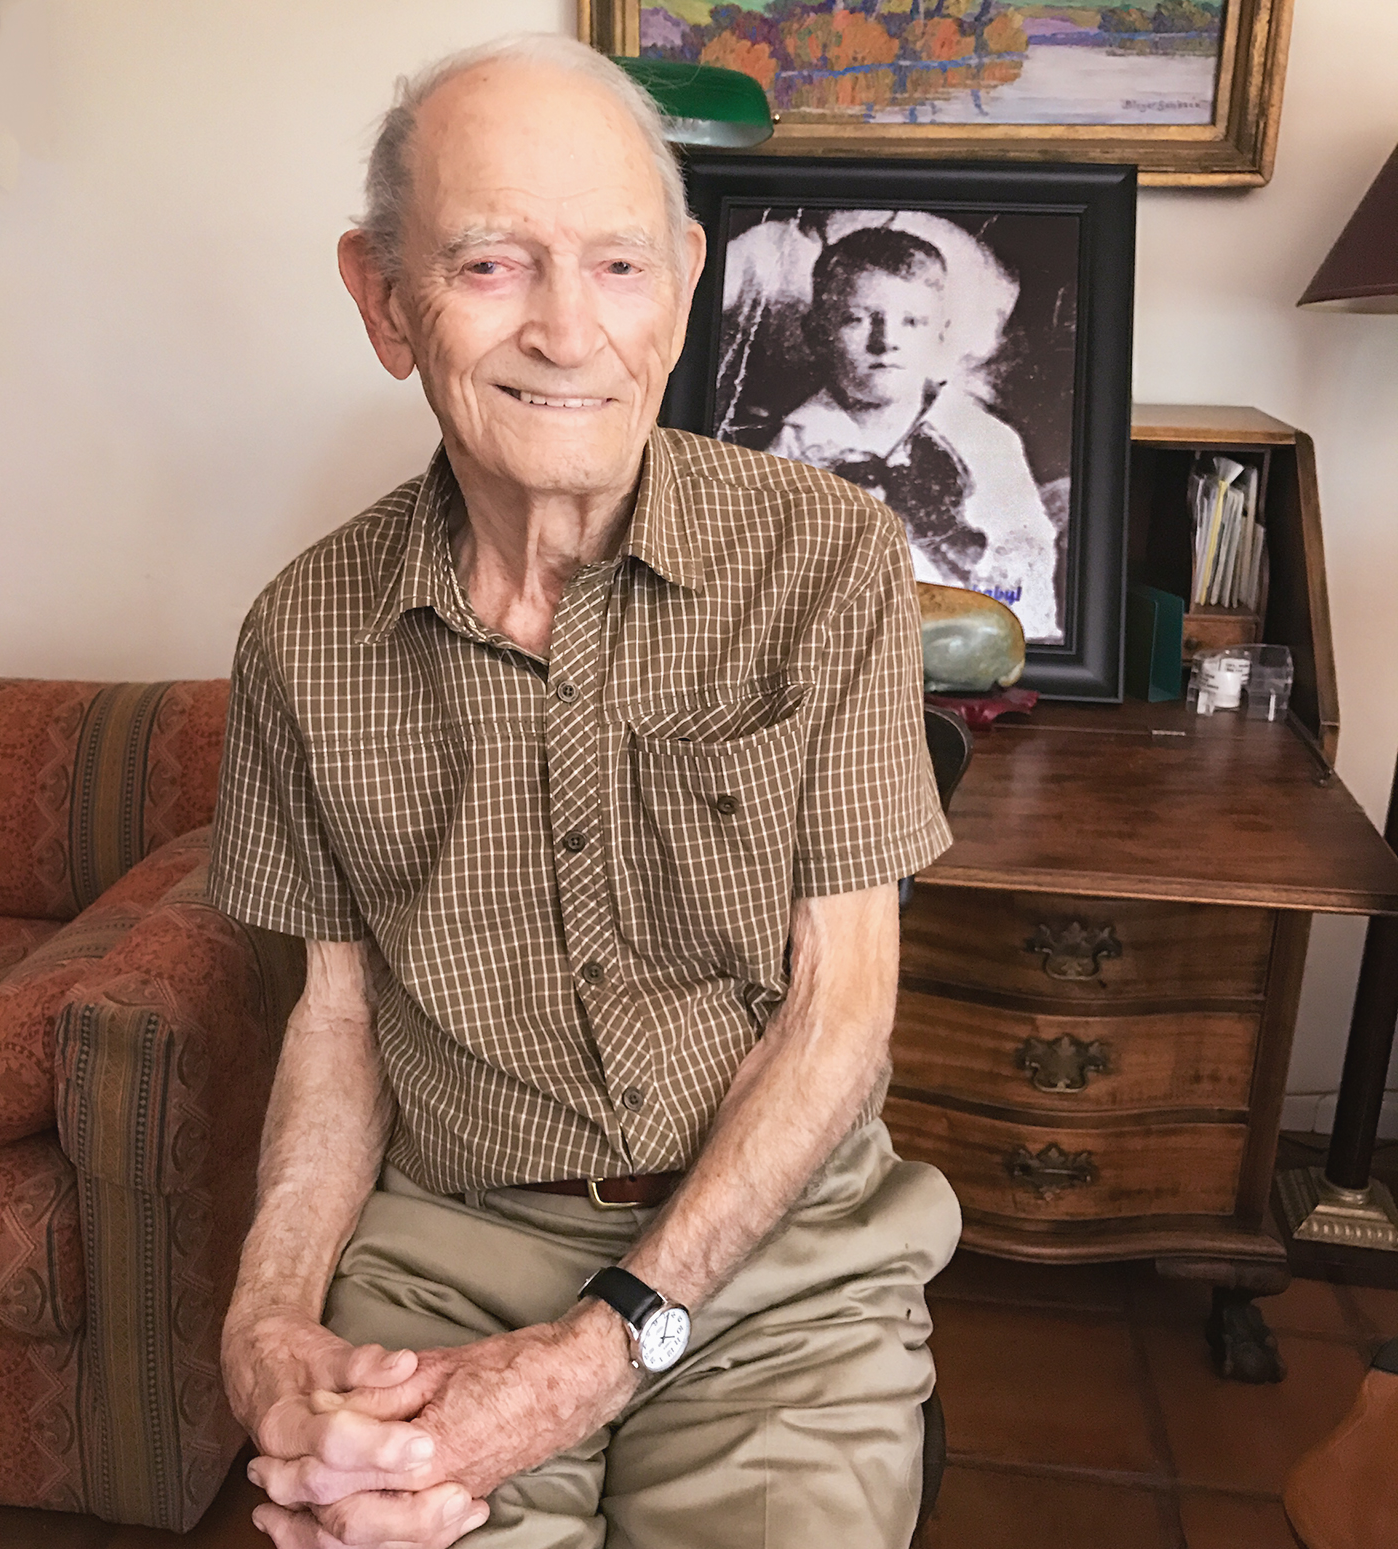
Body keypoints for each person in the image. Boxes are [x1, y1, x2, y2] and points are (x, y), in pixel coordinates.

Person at [209, 33, 960, 1549]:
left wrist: (604, 1347)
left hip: (777, 1265)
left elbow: (841, 1012)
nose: (568, 332)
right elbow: (335, 1023)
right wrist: (266, 1322)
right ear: (383, 299)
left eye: (618, 266)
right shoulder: (302, 634)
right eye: (491, 264)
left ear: (680, 287)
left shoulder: (825, 561)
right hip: (449, 1251)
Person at [751, 218, 1063, 643]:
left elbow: (1024, 564)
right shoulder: (789, 451)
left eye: (911, 322)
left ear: (942, 334)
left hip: (963, 645)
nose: (885, 341)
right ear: (817, 334)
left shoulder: (986, 441)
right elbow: (765, 585)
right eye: (856, 319)